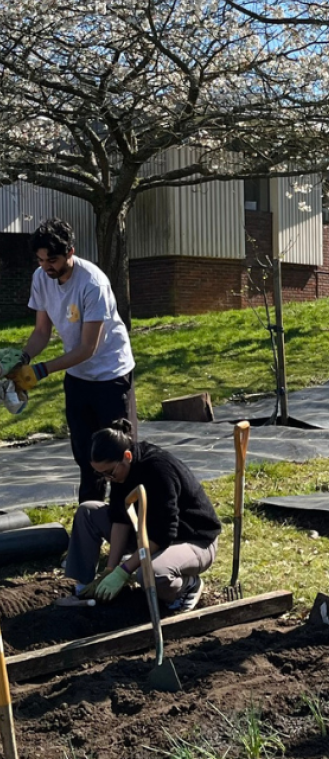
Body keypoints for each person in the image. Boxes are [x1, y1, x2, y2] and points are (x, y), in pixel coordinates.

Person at [12, 217, 137, 503]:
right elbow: (42, 332)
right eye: (41, 260)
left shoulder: (93, 283)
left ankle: (127, 526)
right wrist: (22, 359)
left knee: (119, 455)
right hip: (78, 377)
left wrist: (40, 371)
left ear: (70, 251)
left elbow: (87, 348)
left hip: (111, 375)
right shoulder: (41, 278)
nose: (46, 266)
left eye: (52, 259)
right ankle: (90, 523)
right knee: (86, 455)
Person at [65, 419, 221, 611]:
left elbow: (163, 533)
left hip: (192, 540)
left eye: (109, 473)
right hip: (146, 533)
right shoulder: (120, 472)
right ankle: (84, 587)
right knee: (87, 512)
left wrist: (124, 571)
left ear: (127, 456)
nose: (108, 479)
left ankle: (188, 585)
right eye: (102, 475)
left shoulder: (159, 469)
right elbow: (120, 519)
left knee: (151, 574)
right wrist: (110, 569)